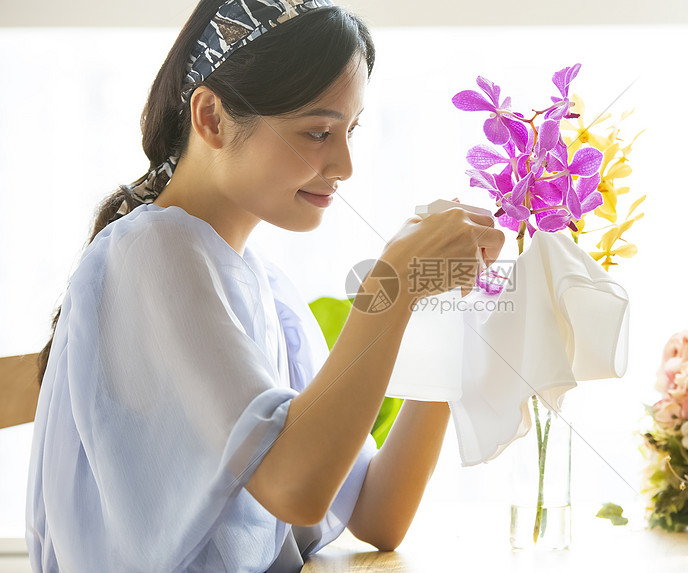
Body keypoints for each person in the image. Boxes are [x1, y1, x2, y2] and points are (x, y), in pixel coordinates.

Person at [25, 1, 504, 571]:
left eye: (350, 131)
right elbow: (292, 488)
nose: (346, 163)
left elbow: (378, 513)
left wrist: (438, 306)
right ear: (212, 119)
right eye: (319, 132)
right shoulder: (151, 250)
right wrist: (392, 284)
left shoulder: (269, 291)